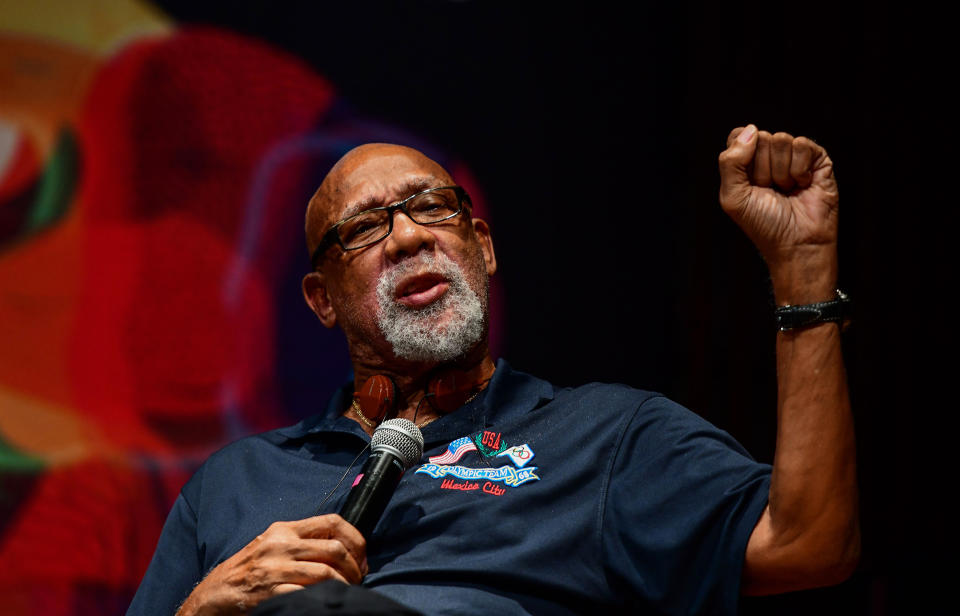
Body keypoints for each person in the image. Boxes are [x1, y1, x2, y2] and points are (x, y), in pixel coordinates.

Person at [127, 125, 859, 615]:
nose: (409, 235)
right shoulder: (233, 483)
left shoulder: (606, 436)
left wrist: (801, 272)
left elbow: (808, 545)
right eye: (364, 229)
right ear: (322, 300)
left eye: (432, 209)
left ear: (483, 245)